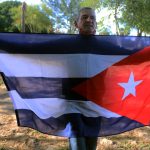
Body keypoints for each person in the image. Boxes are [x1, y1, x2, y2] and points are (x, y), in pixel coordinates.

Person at [69, 7, 98, 150]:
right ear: (76, 23)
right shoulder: (64, 45)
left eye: (92, 18)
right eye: (85, 17)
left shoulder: (106, 47)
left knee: (91, 147)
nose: (89, 20)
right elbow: (36, 50)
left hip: (96, 107)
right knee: (78, 146)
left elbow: (130, 56)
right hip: (72, 106)